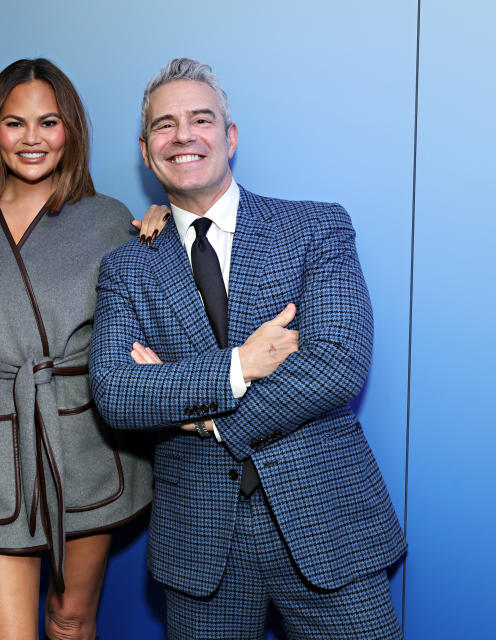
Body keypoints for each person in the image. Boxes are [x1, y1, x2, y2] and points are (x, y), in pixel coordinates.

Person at [89, 58, 406, 639]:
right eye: (165, 125)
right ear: (145, 149)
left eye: (201, 119)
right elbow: (116, 393)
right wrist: (239, 367)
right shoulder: (127, 266)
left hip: (327, 526)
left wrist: (206, 418)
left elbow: (336, 363)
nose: (184, 135)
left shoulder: (315, 228)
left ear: (229, 138)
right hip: (200, 546)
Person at [0, 58, 154, 640]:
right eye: (14, 123)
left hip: (82, 440)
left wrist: (166, 238)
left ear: (70, 130)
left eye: (49, 122)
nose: (32, 139)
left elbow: (147, 327)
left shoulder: (109, 220)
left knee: (71, 621)